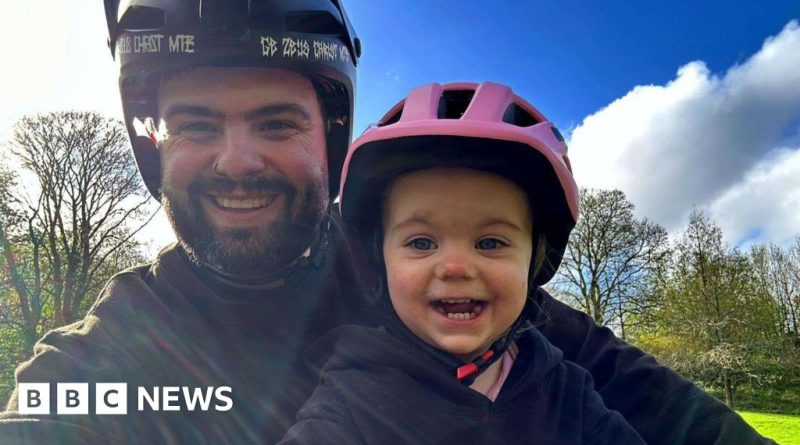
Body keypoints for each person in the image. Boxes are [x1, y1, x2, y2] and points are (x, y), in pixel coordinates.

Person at [0, 1, 774, 444]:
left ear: (329, 139)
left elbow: (643, 393)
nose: (238, 161)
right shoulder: (99, 362)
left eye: (275, 123)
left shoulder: (410, 268)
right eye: (197, 124)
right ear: (155, 146)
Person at [281, 81, 647, 444]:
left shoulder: (567, 393)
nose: (455, 267)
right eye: (421, 243)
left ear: (534, 261)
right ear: (381, 259)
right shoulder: (351, 400)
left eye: (490, 243)